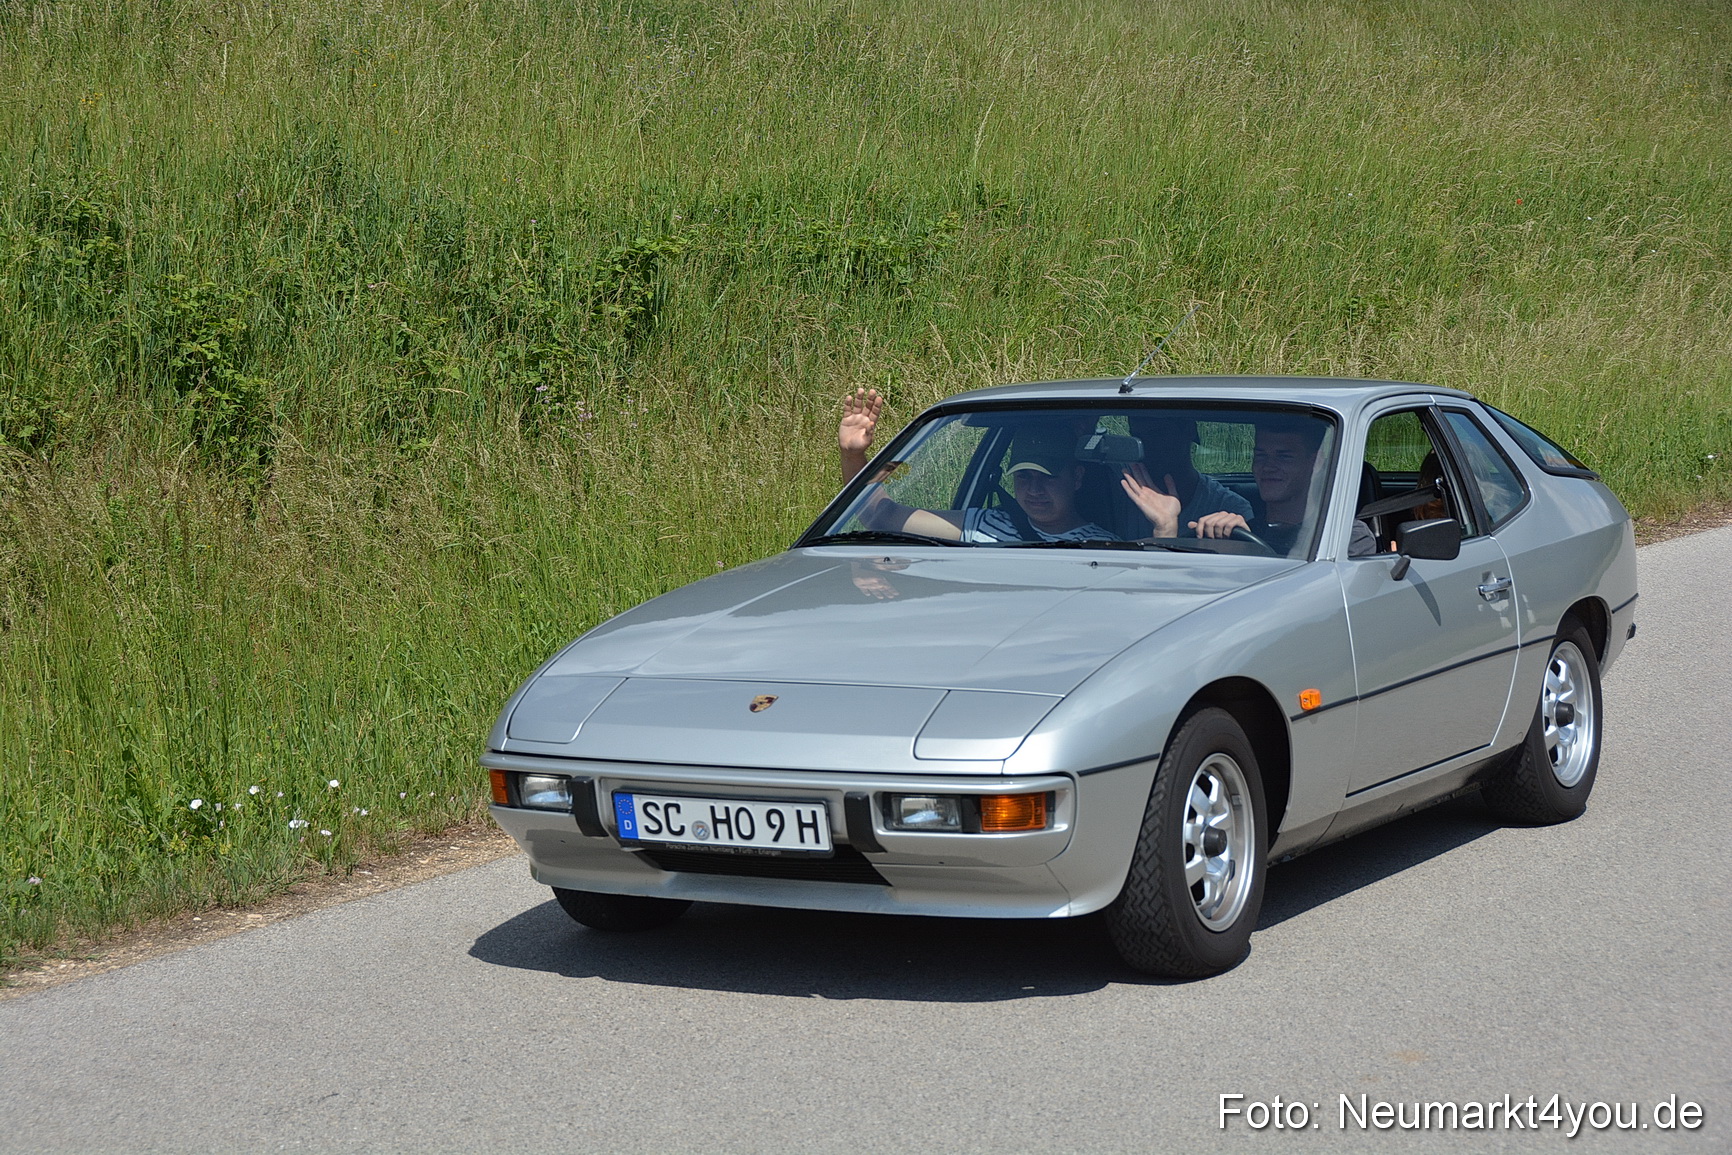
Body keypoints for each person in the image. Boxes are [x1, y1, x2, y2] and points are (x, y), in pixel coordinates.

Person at [836, 389, 1117, 543]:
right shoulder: (987, 525)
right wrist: (852, 456)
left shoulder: (1101, 547)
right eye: (1023, 476)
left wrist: (1164, 526)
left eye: (1047, 477)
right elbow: (881, 517)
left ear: (1076, 477)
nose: (1034, 489)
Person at [1189, 416, 1378, 557]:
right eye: (1261, 455)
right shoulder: (1244, 531)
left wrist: (1247, 552)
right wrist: (1167, 528)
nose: (1268, 467)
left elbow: (1320, 596)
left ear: (1316, 462)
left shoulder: (1344, 537)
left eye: (1284, 456)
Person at [1117, 415, 1253, 538]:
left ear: (1189, 431)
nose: (1147, 447)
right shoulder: (1119, 496)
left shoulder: (1230, 508)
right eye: (1138, 439)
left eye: (1157, 435)